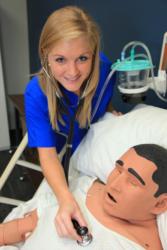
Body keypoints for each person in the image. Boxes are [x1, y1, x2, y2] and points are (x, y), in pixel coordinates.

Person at [24, 5, 116, 241]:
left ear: (94, 54)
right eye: (61, 59)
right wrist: (66, 200)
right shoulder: (36, 93)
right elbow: (47, 155)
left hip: (90, 149)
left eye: (82, 58)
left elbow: (102, 104)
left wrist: (113, 115)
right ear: (45, 55)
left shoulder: (105, 70)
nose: (73, 71)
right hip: (60, 150)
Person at [0, 144, 166, 250]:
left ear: (160, 204)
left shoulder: (143, 245)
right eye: (118, 169)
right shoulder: (82, 188)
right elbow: (21, 227)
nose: (114, 184)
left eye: (132, 182)